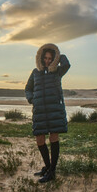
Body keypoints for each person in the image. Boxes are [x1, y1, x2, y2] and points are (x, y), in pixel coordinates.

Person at [25, 43, 70, 183]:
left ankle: (52, 171)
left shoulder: (57, 71)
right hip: (40, 110)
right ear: (40, 58)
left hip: (54, 109)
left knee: (53, 137)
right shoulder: (35, 72)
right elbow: (28, 88)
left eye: (50, 58)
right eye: (45, 58)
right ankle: (48, 167)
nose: (47, 60)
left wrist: (59, 55)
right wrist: (32, 99)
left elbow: (67, 64)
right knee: (39, 139)